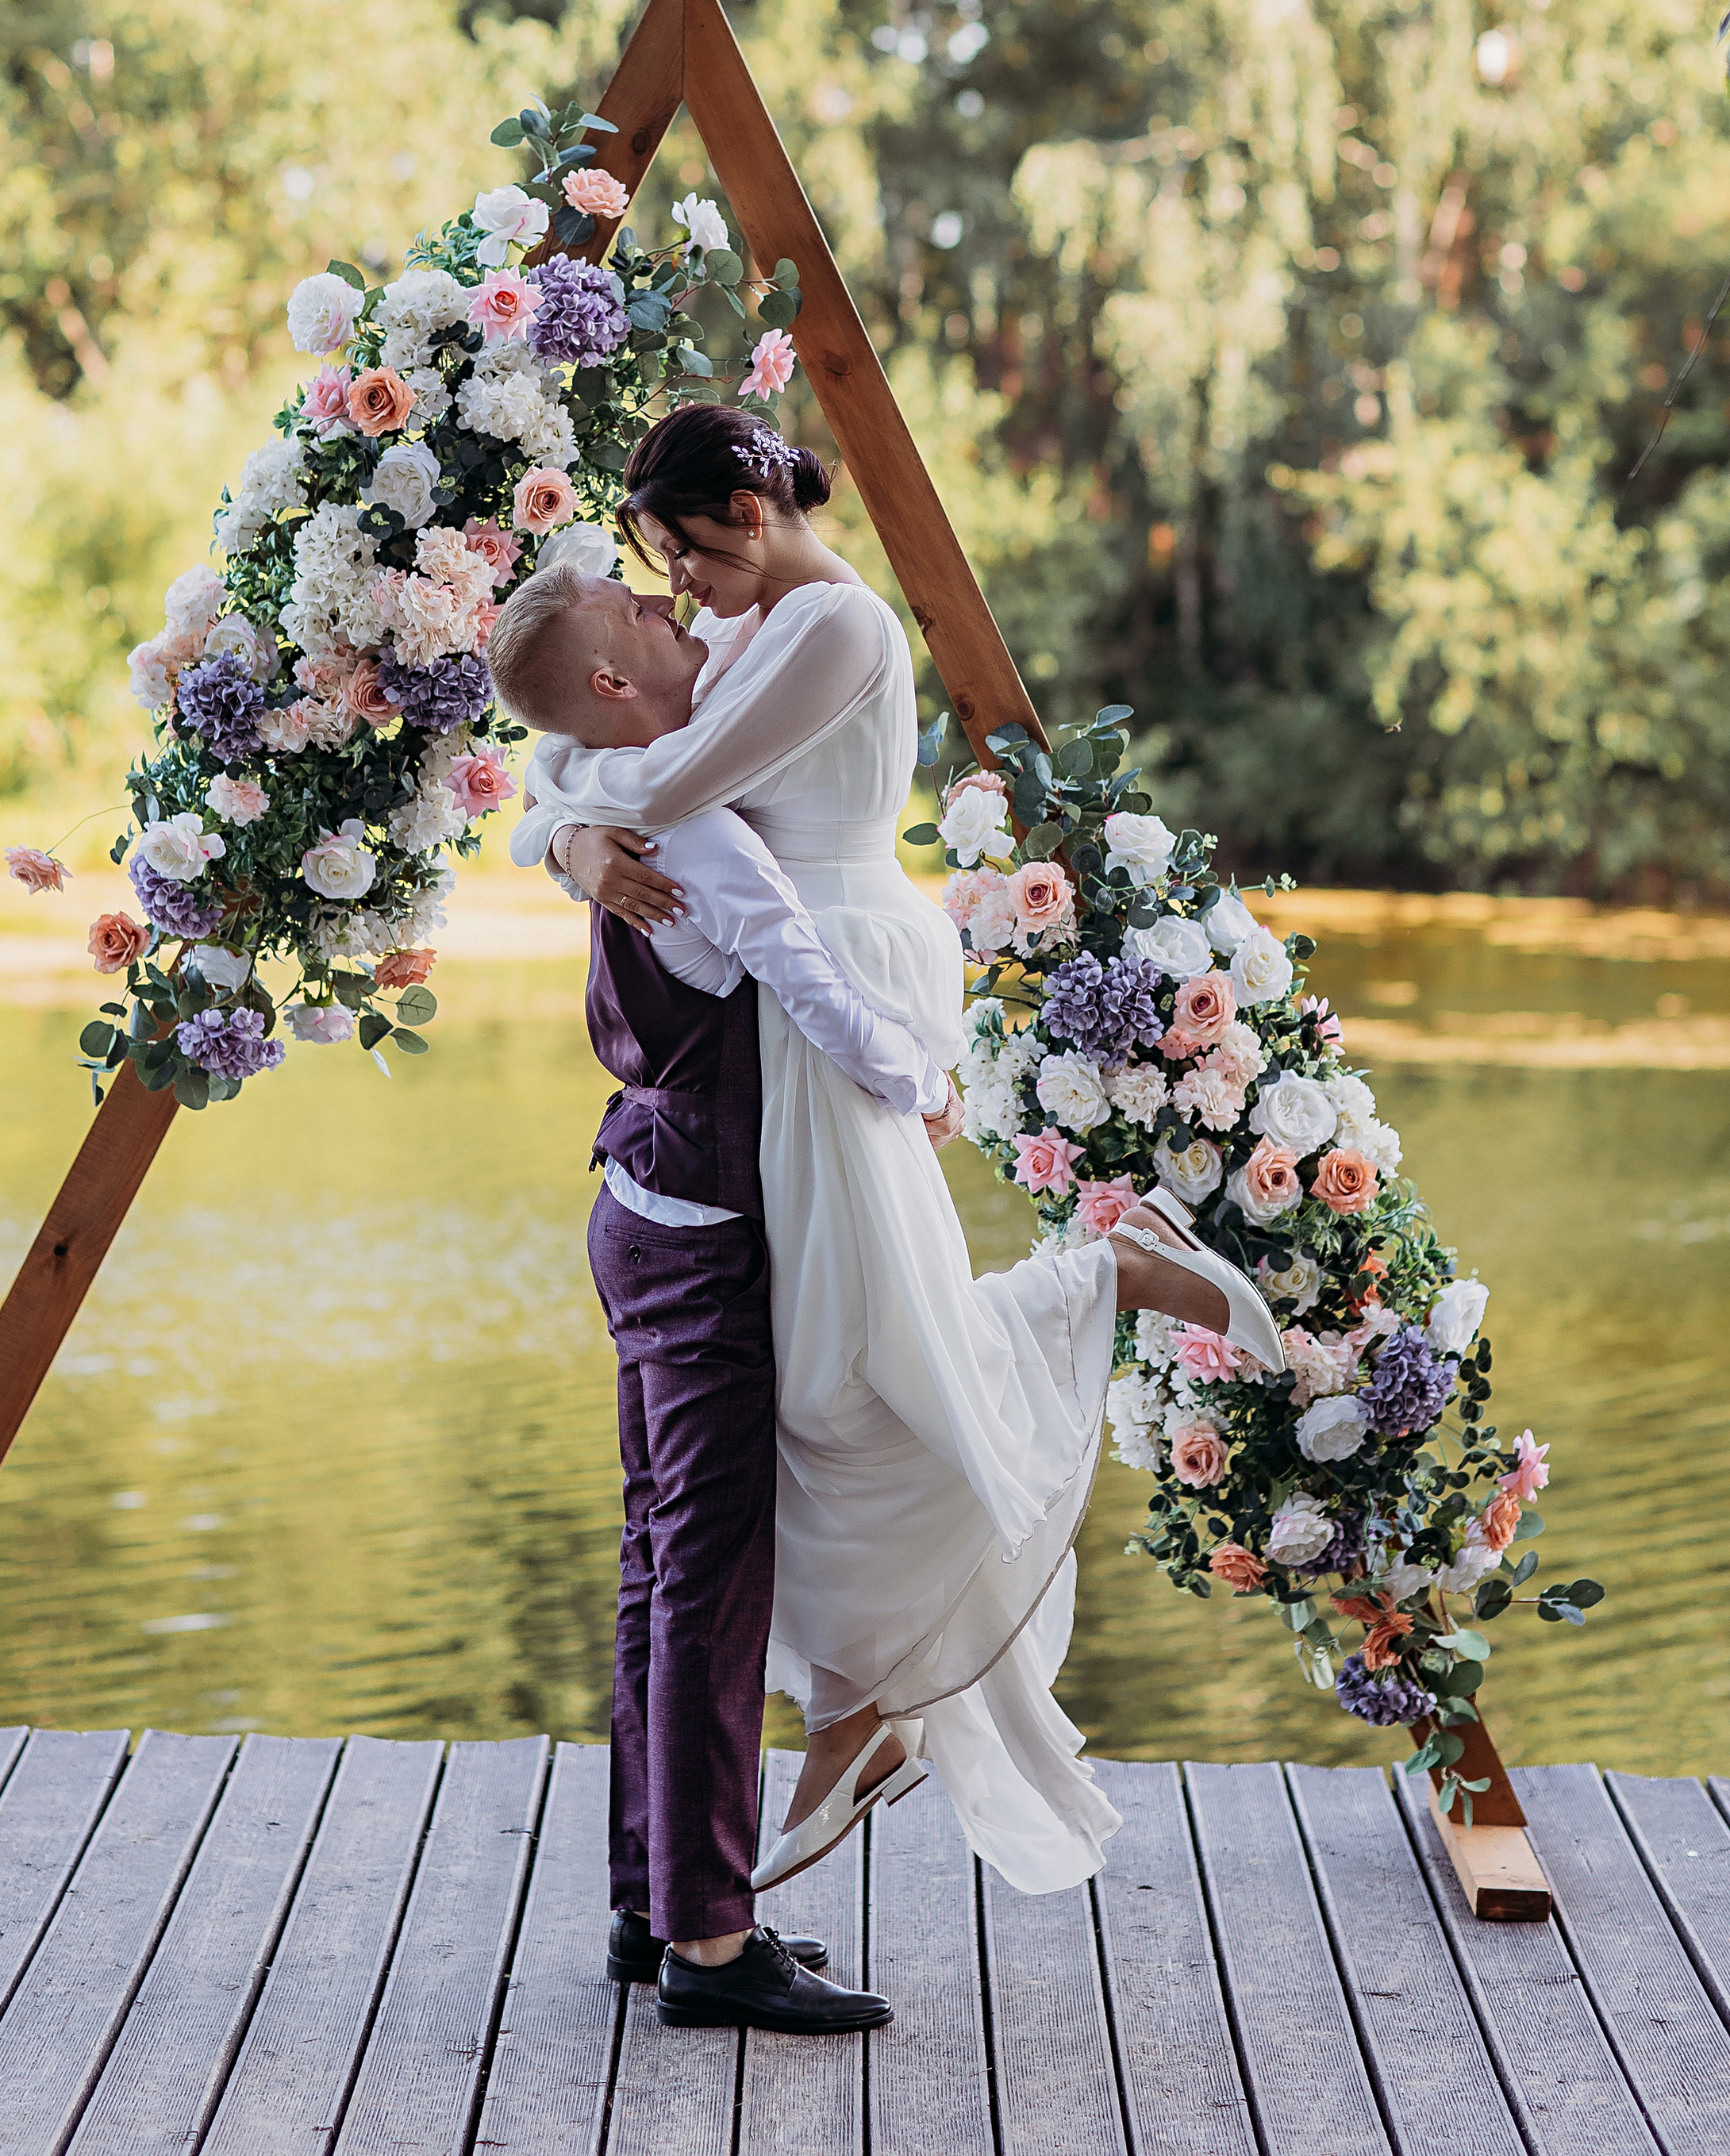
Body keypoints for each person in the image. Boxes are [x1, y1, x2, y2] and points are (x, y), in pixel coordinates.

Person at [504, 407, 1281, 1899]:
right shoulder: (743, 630)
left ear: (744, 510)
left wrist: (582, 836)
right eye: (659, 577)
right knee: (828, 1361)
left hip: (836, 983)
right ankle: (862, 1703)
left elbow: (659, 789)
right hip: (803, 1001)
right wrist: (557, 836)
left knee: (850, 1362)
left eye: (682, 556)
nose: (680, 591)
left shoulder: (837, 626)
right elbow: (581, 753)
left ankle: (871, 1691)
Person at [488, 568, 959, 2035]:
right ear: (619, 678)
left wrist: (563, 838)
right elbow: (799, 972)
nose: (665, 602)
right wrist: (920, 1076)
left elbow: (542, 780)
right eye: (637, 605)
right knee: (707, 1578)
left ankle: (656, 1900)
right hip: (694, 1232)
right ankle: (705, 1940)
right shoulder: (683, 815)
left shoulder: (605, 771)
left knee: (661, 1565)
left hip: (642, 1207)